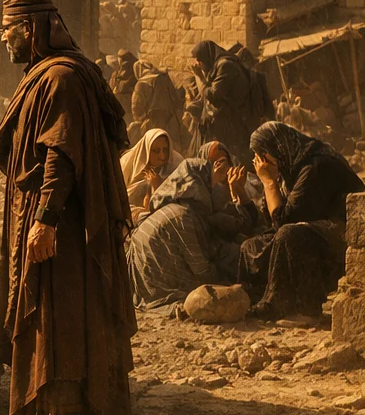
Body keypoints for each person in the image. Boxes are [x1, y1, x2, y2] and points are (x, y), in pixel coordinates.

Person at [0, 0, 135, 415]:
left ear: (32, 30)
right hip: (58, 217)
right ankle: (90, 408)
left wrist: (46, 220)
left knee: (58, 311)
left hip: (64, 224)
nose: (4, 39)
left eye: (9, 30)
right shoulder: (52, 74)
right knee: (68, 308)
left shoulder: (60, 78)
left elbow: (61, 154)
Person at [241, 121, 365, 321]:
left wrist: (269, 183)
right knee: (251, 246)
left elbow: (284, 221)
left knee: (288, 235)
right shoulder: (290, 168)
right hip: (313, 230)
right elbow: (273, 219)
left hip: (343, 236)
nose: (261, 163)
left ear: (278, 147)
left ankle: (301, 308)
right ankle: (253, 299)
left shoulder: (315, 165)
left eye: (263, 155)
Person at [127, 144, 257, 307]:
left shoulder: (186, 210)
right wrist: (226, 281)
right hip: (157, 284)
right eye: (214, 166)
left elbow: (238, 224)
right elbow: (201, 270)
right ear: (198, 185)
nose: (221, 170)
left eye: (224, 162)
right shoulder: (183, 216)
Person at [191, 41, 262, 163]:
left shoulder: (225, 66)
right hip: (221, 127)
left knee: (228, 161)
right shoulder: (217, 67)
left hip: (231, 128)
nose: (198, 64)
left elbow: (213, 94)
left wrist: (199, 77)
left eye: (199, 60)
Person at [120, 128, 184, 225]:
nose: (162, 156)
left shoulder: (176, 165)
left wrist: (158, 186)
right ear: (146, 150)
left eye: (165, 150)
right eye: (156, 151)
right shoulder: (128, 165)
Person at [130, 61, 182, 141]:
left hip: (151, 123)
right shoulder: (164, 78)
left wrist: (139, 121)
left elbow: (136, 106)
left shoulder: (142, 83)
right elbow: (177, 101)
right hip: (170, 122)